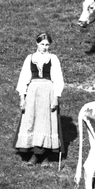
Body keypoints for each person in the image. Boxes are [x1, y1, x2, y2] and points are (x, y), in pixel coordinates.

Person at [14, 32, 65, 163]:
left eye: (47, 44)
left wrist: (55, 97)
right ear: (37, 44)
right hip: (32, 93)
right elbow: (23, 78)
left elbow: (58, 79)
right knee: (31, 120)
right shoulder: (30, 58)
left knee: (45, 122)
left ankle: (44, 155)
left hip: (48, 92)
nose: (45, 47)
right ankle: (33, 153)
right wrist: (22, 98)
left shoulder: (53, 59)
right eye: (42, 44)